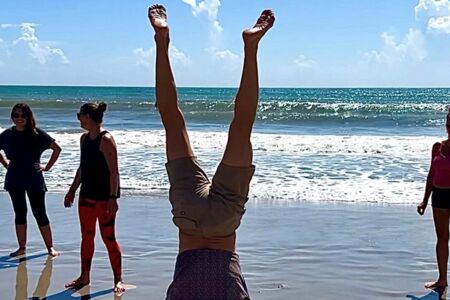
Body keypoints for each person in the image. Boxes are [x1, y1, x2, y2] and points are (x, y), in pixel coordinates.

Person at [148, 4, 274, 299]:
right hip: (188, 215)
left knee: (242, 124)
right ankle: (161, 43)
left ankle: (251, 48)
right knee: (171, 118)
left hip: (223, 223)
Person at [63, 102, 125, 294]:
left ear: (88, 117)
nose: (79, 119)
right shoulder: (83, 139)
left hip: (104, 199)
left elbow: (114, 172)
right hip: (86, 196)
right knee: (87, 237)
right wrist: (72, 189)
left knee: (109, 238)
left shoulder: (106, 140)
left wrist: (113, 198)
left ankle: (118, 279)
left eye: (79, 115)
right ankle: (84, 276)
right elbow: (82, 168)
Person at [0, 103, 61, 257]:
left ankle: (50, 247)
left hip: (34, 177)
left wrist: (46, 167)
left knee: (39, 212)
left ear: (28, 117)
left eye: (22, 115)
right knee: (20, 212)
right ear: (12, 117)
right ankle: (22, 248)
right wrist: (5, 163)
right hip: (14, 177)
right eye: (16, 115)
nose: (19, 119)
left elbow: (56, 149)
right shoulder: (7, 134)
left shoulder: (37, 134)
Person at [418, 108, 450, 289]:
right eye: (448, 124)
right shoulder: (438, 146)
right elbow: (431, 174)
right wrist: (424, 200)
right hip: (438, 196)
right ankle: (442, 279)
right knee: (442, 238)